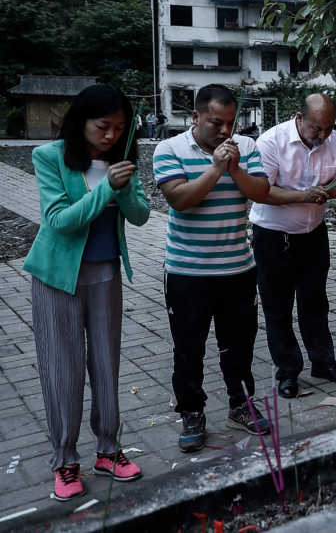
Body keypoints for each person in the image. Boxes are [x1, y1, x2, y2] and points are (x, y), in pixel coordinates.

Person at [24, 84, 150, 501]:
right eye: (103, 126)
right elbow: (59, 221)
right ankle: (65, 460)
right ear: (81, 121)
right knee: (64, 368)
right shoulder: (50, 157)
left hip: (105, 274)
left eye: (119, 127)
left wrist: (125, 184)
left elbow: (141, 216)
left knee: (106, 363)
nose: (111, 135)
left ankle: (108, 450)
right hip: (57, 277)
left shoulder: (120, 160)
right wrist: (105, 189)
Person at [153, 84, 272, 453]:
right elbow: (180, 200)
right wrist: (216, 167)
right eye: (215, 123)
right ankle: (192, 411)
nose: (224, 131)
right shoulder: (168, 149)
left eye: (230, 123)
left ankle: (241, 404)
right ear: (195, 117)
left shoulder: (248, 148)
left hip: (238, 268)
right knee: (188, 349)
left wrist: (234, 168)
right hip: (188, 273)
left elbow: (262, 193)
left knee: (239, 345)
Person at [249, 94, 336, 399]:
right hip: (273, 235)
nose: (322, 136)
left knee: (315, 302)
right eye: (315, 128)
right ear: (299, 117)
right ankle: (288, 372)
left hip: (313, 233)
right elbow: (262, 191)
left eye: (328, 128)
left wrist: (330, 192)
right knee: (278, 307)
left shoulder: (335, 141)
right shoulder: (271, 142)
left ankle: (323, 362)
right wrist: (304, 196)